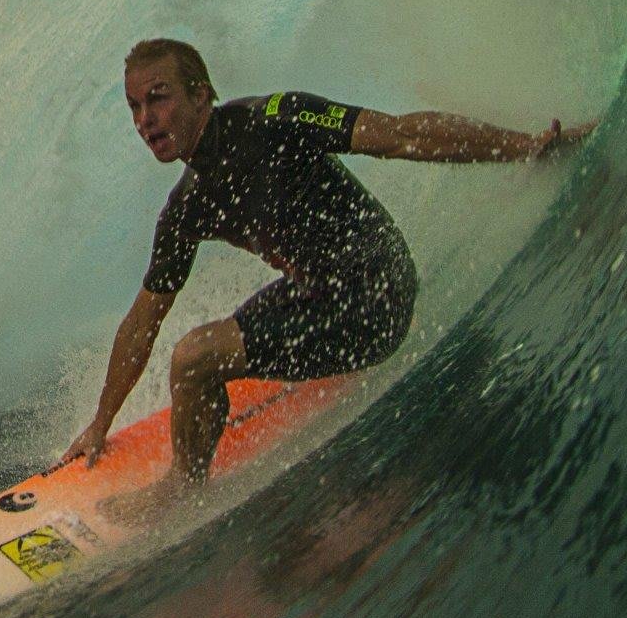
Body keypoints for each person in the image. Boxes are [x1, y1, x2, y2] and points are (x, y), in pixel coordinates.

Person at [55, 37, 593, 482]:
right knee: (195, 356)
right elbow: (143, 320)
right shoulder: (187, 207)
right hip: (318, 297)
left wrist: (524, 146)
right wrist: (101, 422)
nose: (146, 119)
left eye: (159, 98)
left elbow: (402, 135)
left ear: (201, 94)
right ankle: (198, 443)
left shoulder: (275, 118)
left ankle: (181, 490)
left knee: (194, 357)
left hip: (377, 293)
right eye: (135, 107)